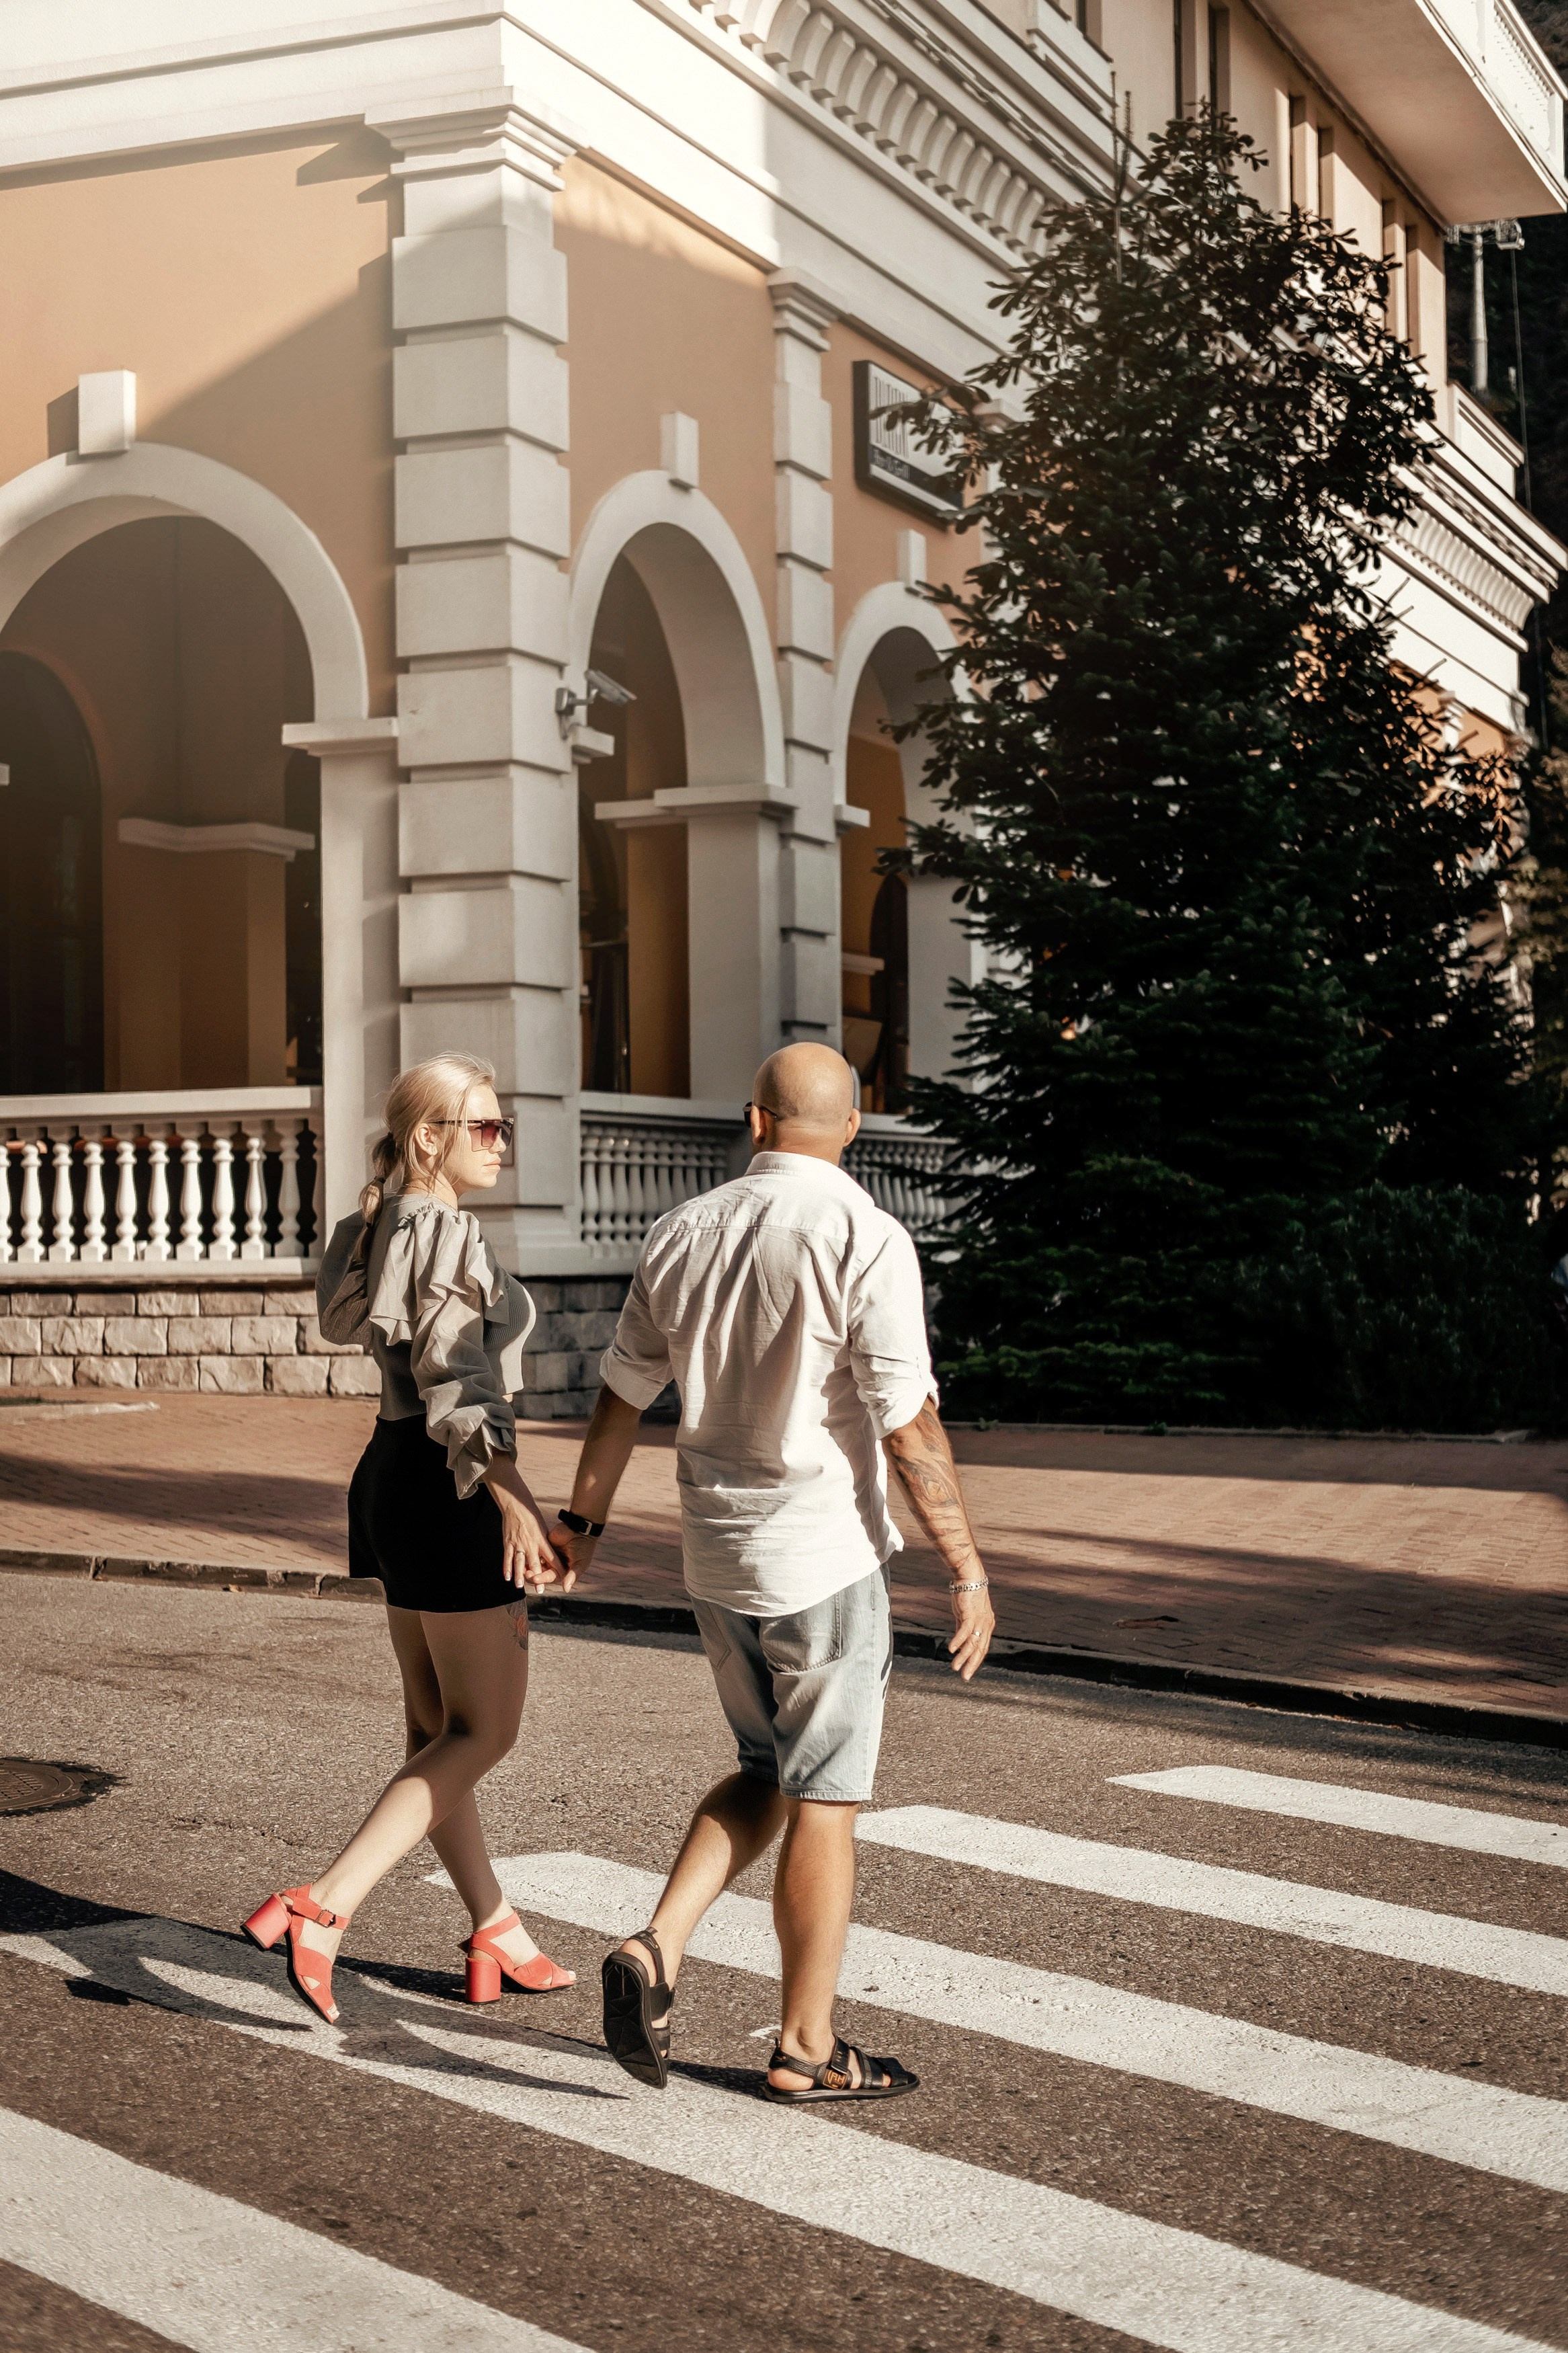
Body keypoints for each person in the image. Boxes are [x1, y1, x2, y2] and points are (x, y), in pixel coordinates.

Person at [552, 1041, 993, 2104]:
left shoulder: (680, 1231)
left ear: (754, 1123)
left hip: (716, 1559)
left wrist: (582, 1524)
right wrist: (967, 1569)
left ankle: (658, 1944)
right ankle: (805, 2046)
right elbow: (908, 1423)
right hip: (825, 1562)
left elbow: (621, 1394)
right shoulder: (865, 1236)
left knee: (762, 1769)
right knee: (824, 1800)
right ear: (850, 1129)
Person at [241, 1051, 576, 2024]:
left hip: (393, 1478)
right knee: (486, 1732)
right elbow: (456, 1380)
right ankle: (323, 1906)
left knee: (437, 1737)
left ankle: (496, 1930)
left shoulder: (373, 1223)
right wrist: (513, 1497)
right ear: (429, 1135)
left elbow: (356, 1333)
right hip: (452, 1482)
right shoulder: (446, 1233)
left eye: (503, 1126)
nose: (499, 1143)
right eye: (482, 1126)